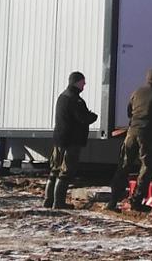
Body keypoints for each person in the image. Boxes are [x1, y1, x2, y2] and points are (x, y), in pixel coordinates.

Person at [106, 67, 152, 211]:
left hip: (132, 131)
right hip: (148, 133)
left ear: (147, 78)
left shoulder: (137, 92)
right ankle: (136, 201)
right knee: (146, 166)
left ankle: (113, 200)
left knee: (124, 164)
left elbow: (129, 111)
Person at [44, 71, 97, 209]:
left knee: (55, 169)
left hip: (59, 139)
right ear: (77, 82)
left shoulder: (62, 97)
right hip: (71, 141)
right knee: (66, 171)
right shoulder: (75, 100)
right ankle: (59, 202)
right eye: (83, 81)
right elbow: (83, 118)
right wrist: (93, 116)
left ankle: (48, 200)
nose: (84, 84)